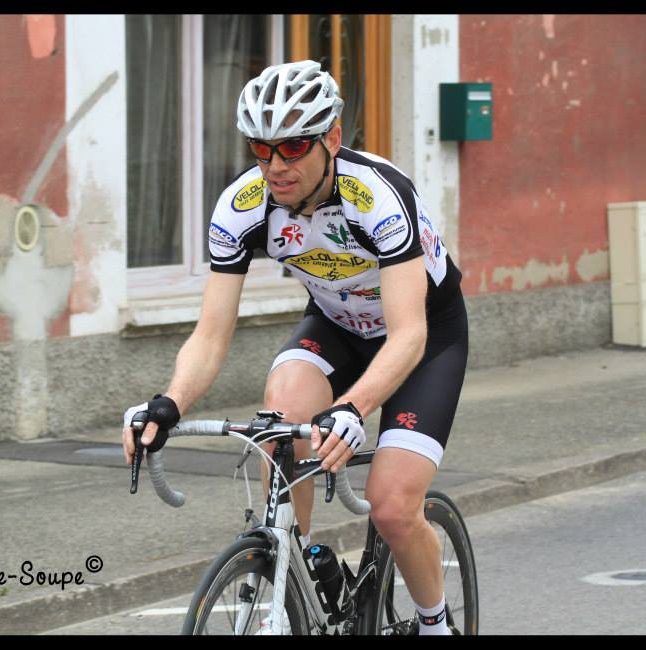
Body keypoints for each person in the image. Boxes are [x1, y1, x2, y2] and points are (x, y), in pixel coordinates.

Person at [121, 60, 468, 635]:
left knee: (391, 506)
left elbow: (409, 334)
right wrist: (170, 402)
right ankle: (293, 568)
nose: (275, 166)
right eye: (261, 149)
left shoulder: (378, 196)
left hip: (424, 337)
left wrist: (353, 410)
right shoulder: (242, 207)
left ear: (331, 138)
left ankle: (434, 624)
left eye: (294, 147)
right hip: (336, 325)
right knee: (280, 420)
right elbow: (211, 335)